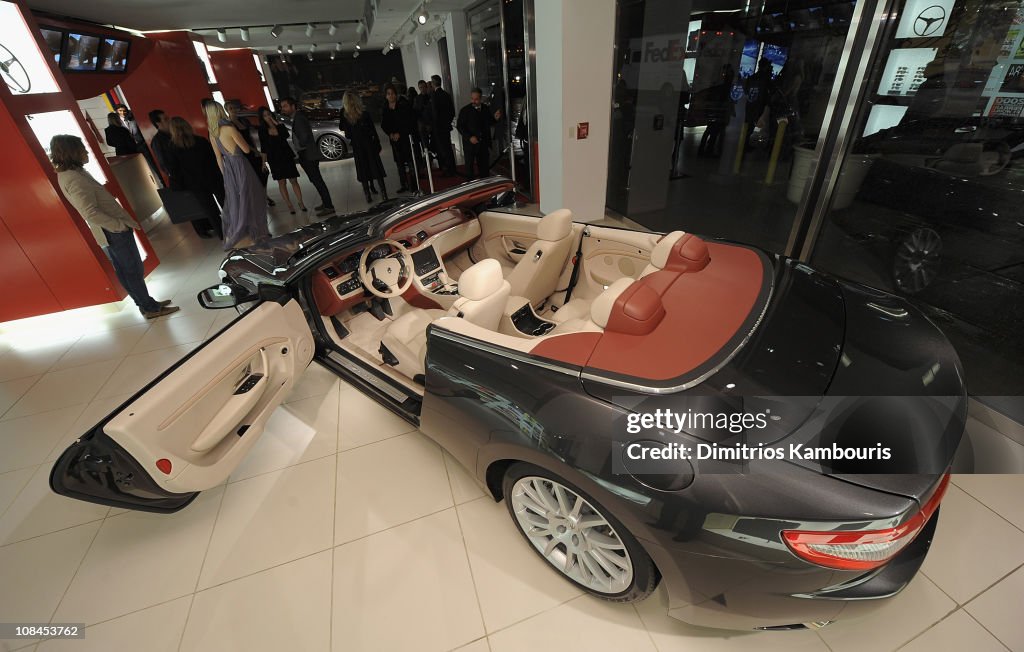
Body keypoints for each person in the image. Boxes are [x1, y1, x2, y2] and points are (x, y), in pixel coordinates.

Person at [49, 134, 178, 319]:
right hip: (112, 231)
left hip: (110, 231)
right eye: (81, 148)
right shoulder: (73, 178)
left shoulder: (73, 173)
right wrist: (119, 226)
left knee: (128, 271)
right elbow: (89, 212)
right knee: (132, 271)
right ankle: (149, 307)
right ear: (72, 152)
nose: (86, 152)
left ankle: (146, 304)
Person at [204, 100, 269, 249]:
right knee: (250, 198)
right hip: (240, 165)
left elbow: (218, 158)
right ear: (221, 111)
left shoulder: (212, 133)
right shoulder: (229, 128)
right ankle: (255, 233)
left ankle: (242, 233)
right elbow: (246, 150)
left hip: (228, 169)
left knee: (237, 201)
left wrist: (225, 175)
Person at [165, 116, 224, 239]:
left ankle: (222, 235)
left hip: (194, 184)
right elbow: (213, 159)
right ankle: (238, 229)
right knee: (226, 204)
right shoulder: (200, 141)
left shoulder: (172, 147)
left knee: (210, 211)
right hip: (212, 178)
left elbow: (173, 169)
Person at [280, 96, 334, 216]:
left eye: (285, 106)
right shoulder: (297, 118)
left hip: (307, 154)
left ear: (293, 106)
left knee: (317, 181)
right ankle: (326, 203)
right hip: (307, 154)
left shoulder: (298, 118)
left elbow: (304, 137)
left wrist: (301, 147)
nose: (283, 109)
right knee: (316, 180)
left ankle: (329, 206)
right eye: (282, 107)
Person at [224, 99, 275, 207]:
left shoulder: (243, 121)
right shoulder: (229, 124)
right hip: (243, 153)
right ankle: (260, 198)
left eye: (234, 107)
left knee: (263, 173)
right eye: (230, 108)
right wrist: (255, 150)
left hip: (252, 151)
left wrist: (256, 150)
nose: (234, 110)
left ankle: (264, 196)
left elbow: (250, 136)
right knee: (252, 177)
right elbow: (239, 142)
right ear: (227, 110)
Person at [257, 106, 306, 215]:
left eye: (269, 114)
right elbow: (263, 147)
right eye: (265, 116)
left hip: (286, 156)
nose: (268, 117)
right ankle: (289, 205)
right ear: (262, 118)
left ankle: (300, 202)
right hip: (274, 158)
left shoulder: (280, 126)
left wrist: (275, 122)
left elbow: (286, 135)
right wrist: (263, 162)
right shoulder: (262, 130)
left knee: (294, 180)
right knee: (282, 182)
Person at [340, 91, 388, 203]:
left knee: (363, 169)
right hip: (368, 144)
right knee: (376, 168)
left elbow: (345, 132)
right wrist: (377, 143)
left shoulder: (345, 115)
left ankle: (367, 195)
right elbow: (373, 130)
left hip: (357, 146)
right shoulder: (364, 113)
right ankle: (384, 193)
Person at [381, 83, 419, 194]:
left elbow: (409, 122)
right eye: (388, 94)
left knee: (410, 163)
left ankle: (414, 186)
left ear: (396, 94)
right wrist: (390, 134)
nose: (391, 96)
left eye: (392, 93)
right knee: (399, 164)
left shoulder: (403, 106)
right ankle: (404, 185)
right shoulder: (385, 109)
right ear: (386, 96)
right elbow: (384, 125)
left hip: (405, 139)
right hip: (394, 141)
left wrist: (400, 133)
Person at [456, 87, 497, 180]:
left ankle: (485, 185)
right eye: (472, 99)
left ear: (481, 98)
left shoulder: (486, 108)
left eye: (476, 99)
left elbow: (489, 122)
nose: (474, 101)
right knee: (469, 168)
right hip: (470, 145)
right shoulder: (465, 110)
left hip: (483, 143)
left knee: (484, 167)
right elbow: (460, 126)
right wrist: (470, 137)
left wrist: (495, 118)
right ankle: (471, 187)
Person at [698, 65, 735, 158]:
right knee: (714, 131)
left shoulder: (718, 83)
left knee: (710, 130)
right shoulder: (726, 85)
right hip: (718, 110)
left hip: (715, 109)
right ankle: (708, 150)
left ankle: (704, 149)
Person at [429, 74, 457, 176]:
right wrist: (447, 122)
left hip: (439, 128)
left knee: (443, 149)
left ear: (433, 83)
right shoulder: (446, 94)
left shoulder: (434, 95)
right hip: (446, 127)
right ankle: (452, 168)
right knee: (448, 148)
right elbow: (451, 111)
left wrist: (435, 125)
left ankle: (448, 169)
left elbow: (435, 113)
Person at [148, 109, 173, 184]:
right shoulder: (157, 141)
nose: (170, 120)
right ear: (158, 123)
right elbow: (164, 164)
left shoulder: (175, 134)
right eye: (166, 119)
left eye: (168, 118)